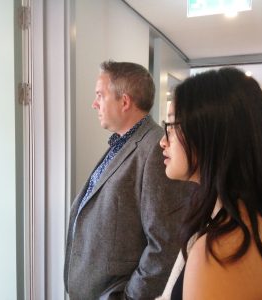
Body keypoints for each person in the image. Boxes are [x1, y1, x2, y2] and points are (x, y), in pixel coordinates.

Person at [64, 60, 194, 300]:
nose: (94, 104)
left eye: (100, 96)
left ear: (124, 102)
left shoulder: (155, 149)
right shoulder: (121, 143)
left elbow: (164, 244)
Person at [158, 67, 262, 299]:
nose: (162, 141)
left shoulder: (223, 252)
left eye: (172, 126)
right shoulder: (261, 218)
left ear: (209, 134)